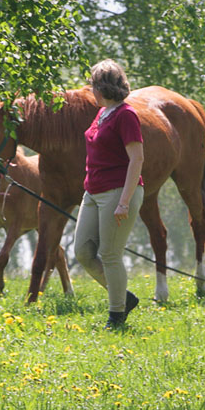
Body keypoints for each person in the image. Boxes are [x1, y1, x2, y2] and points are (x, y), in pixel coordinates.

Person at [74, 59, 145, 329]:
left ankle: (116, 316)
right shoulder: (102, 113)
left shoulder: (125, 115)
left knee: (110, 254)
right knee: (83, 251)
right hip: (92, 191)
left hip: (118, 192)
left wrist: (124, 202)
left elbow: (136, 159)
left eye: (92, 84)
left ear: (101, 86)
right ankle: (123, 297)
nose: (89, 89)